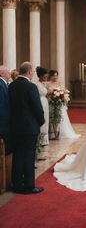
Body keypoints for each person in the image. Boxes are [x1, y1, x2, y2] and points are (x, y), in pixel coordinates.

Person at [8, 62, 45, 194]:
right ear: (29, 72)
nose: (33, 74)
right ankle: (29, 186)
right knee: (29, 156)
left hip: (15, 127)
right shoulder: (31, 86)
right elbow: (37, 107)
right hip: (29, 127)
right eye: (33, 72)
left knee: (17, 155)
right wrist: (41, 121)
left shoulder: (11, 85)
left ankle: (17, 184)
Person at [48, 70, 80, 139]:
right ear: (50, 76)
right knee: (52, 118)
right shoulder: (48, 84)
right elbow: (47, 94)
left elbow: (65, 91)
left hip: (59, 103)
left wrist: (62, 95)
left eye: (56, 75)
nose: (55, 77)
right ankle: (53, 133)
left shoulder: (59, 83)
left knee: (61, 118)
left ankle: (60, 133)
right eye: (54, 75)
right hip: (52, 103)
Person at [36, 67, 49, 146]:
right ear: (40, 76)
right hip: (41, 102)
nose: (46, 78)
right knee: (43, 119)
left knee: (46, 119)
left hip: (45, 101)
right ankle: (42, 139)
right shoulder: (37, 84)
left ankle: (45, 139)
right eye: (44, 77)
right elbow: (43, 93)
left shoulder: (43, 84)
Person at [0, 66, 11, 155]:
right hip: (3, 122)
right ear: (2, 74)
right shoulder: (0, 85)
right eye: (8, 72)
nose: (10, 73)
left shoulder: (5, 84)